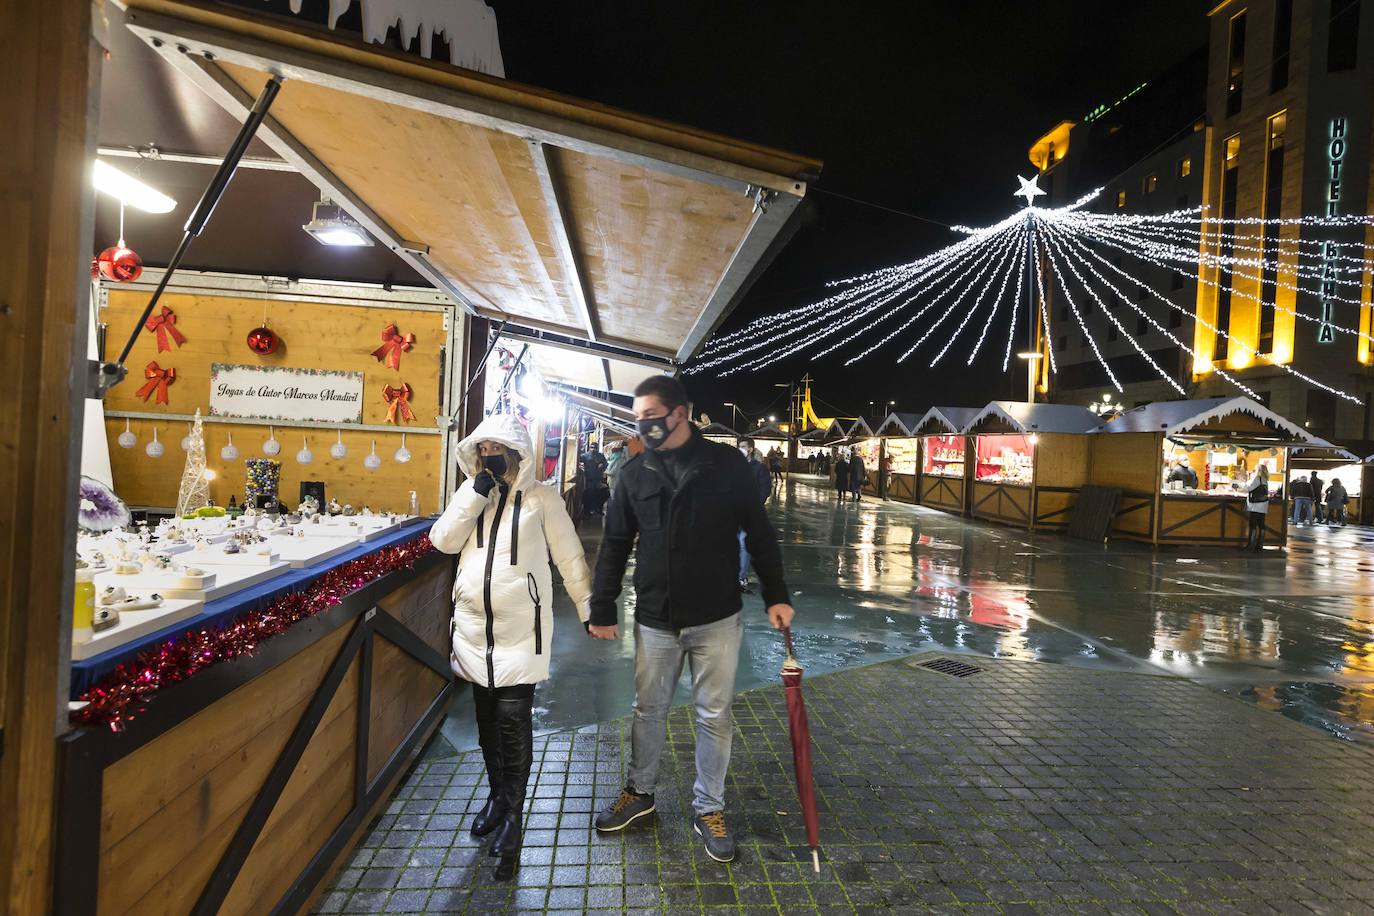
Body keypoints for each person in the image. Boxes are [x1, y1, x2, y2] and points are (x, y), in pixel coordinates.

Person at [588, 376, 794, 864]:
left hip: (717, 617)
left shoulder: (725, 467)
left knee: (714, 715)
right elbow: (615, 543)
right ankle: (640, 793)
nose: (644, 424)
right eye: (639, 416)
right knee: (648, 710)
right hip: (656, 619)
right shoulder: (635, 474)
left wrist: (777, 594)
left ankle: (709, 808)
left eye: (652, 414)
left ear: (682, 413)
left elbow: (759, 534)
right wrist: (602, 606)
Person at [429, 413, 592, 880]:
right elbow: (442, 541)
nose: (490, 456)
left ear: (518, 453)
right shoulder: (471, 495)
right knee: (486, 724)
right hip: (476, 632)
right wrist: (475, 493)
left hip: (523, 631)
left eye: (498, 449)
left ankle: (515, 818)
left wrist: (588, 608)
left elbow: (569, 555)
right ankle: (497, 800)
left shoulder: (543, 501)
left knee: (512, 723)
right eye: (483, 449)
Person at [736, 437, 773, 592]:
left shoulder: (759, 468)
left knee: (744, 545)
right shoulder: (733, 467)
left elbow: (765, 490)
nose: (740, 449)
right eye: (738, 446)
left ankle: (741, 577)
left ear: (750, 449)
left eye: (743, 446)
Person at [1244, 461, 1271, 551]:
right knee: (1261, 524)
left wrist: (1247, 480)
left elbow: (1249, 488)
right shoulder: (1265, 479)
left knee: (1253, 524)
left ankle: (1250, 545)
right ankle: (1260, 545)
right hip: (1263, 504)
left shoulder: (1257, 478)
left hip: (1255, 504)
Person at [581, 443, 609, 517]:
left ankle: (598, 510)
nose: (593, 449)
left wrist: (602, 466)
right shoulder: (584, 456)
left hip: (598, 478)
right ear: (589, 447)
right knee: (589, 494)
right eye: (592, 447)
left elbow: (606, 464)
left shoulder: (601, 456)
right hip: (589, 479)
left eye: (595, 448)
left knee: (599, 495)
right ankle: (587, 510)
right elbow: (578, 462)